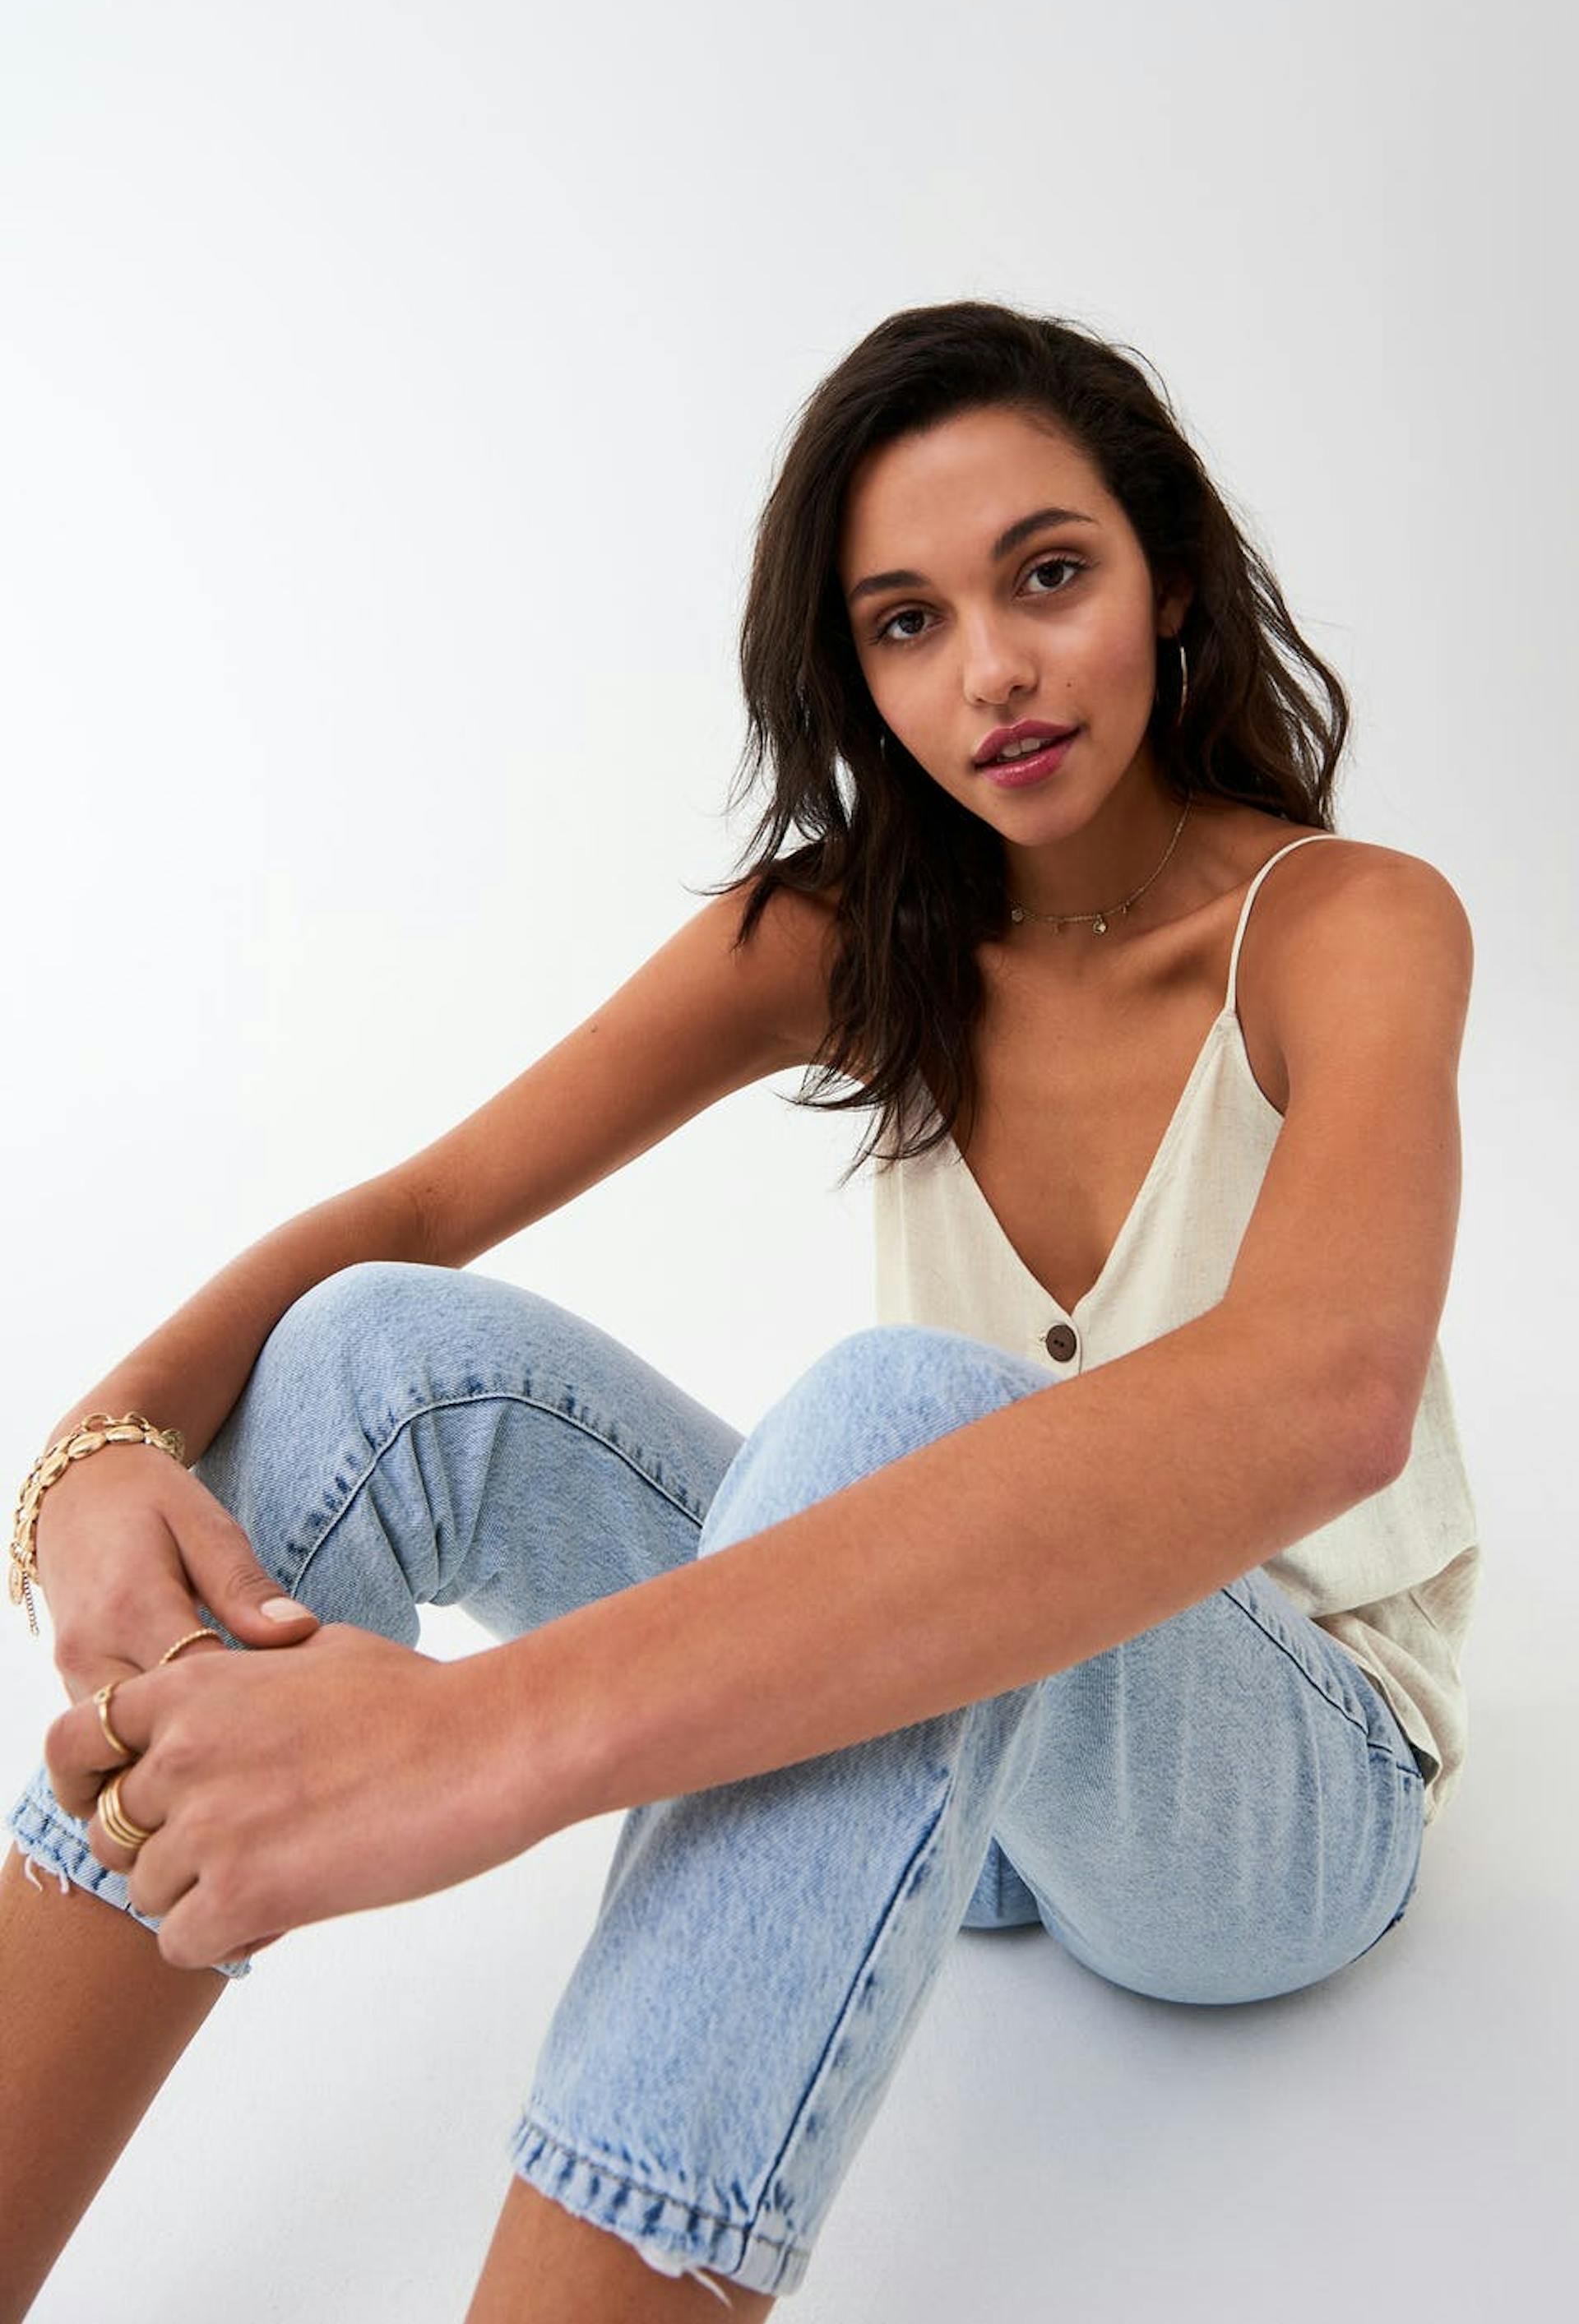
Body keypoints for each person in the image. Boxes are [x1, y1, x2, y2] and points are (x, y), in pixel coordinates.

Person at [0, 299, 1479, 2318]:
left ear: (1170, 582)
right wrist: (97, 1449)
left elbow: (1331, 1394)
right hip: (934, 1710)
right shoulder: (853, 929)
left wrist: (481, 1747)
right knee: (369, 1354)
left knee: (895, 1415)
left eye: (1049, 576)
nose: (992, 670)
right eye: (908, 622)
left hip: (1269, 1802)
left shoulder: (1348, 923)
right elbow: (427, 1208)